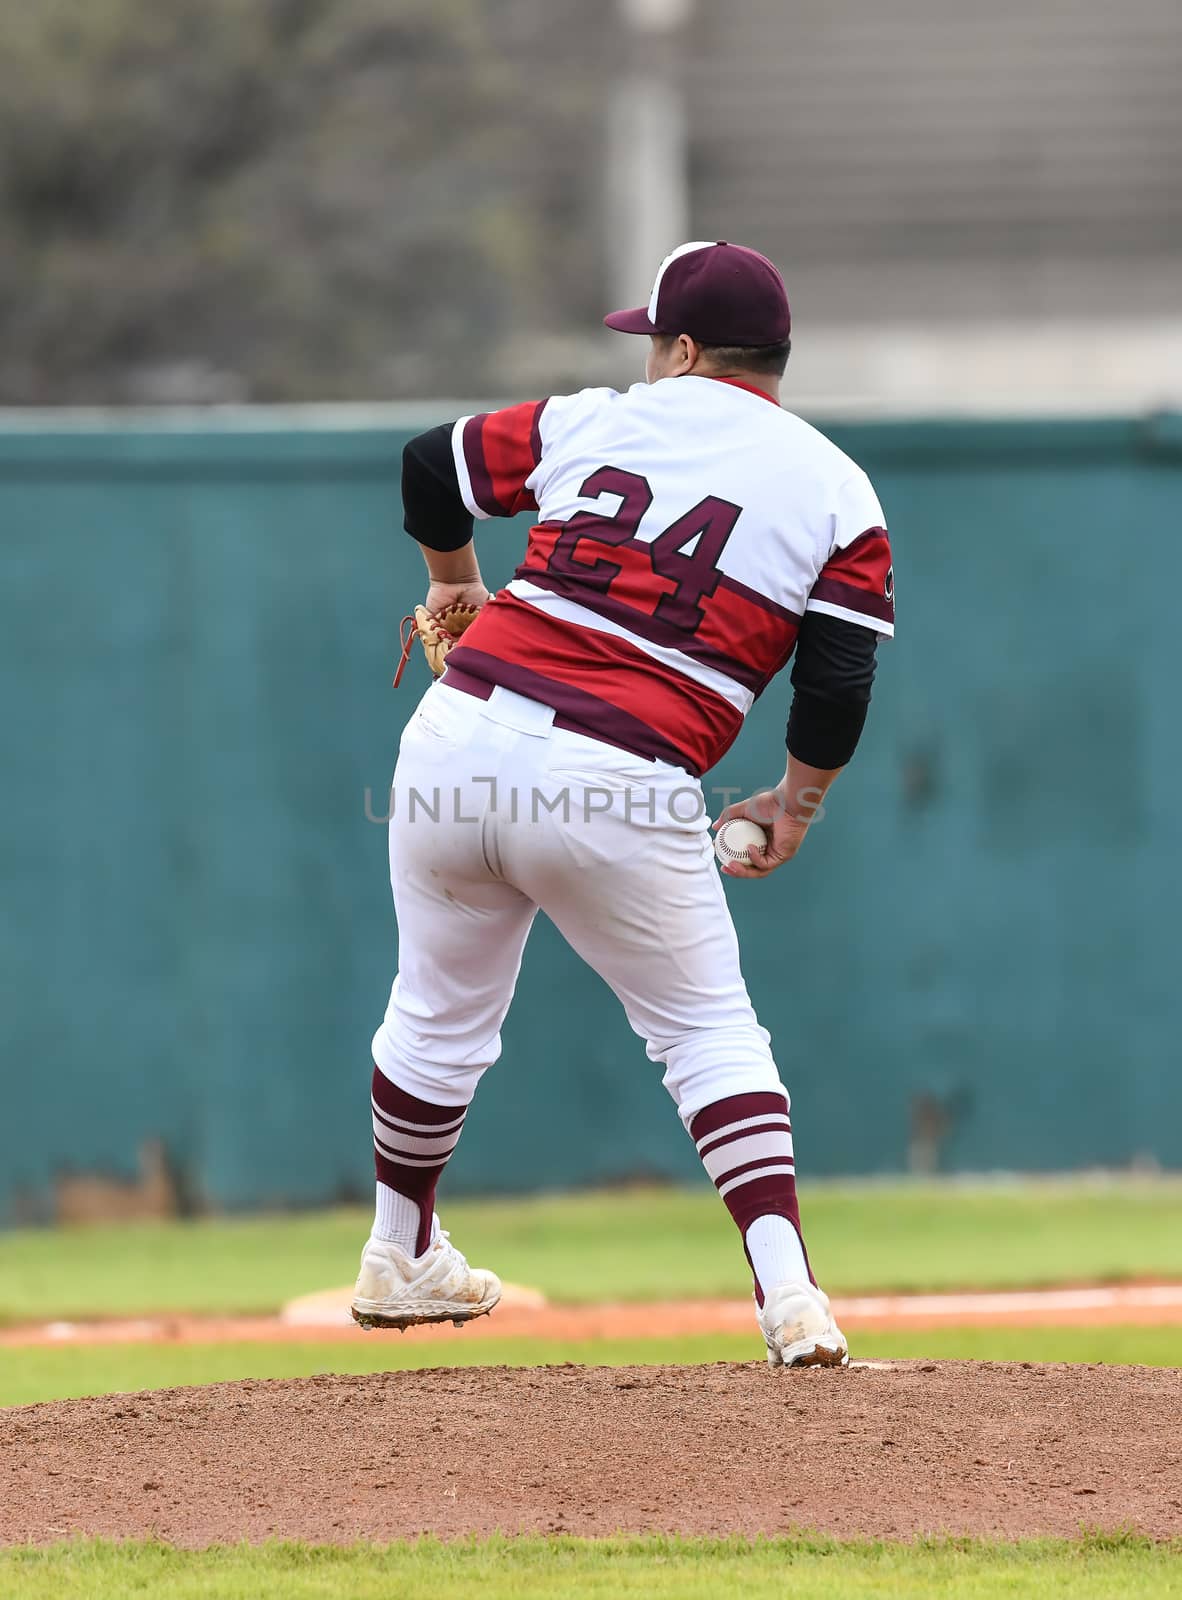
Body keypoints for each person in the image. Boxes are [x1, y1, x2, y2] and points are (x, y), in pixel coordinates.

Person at [352, 241, 894, 1367]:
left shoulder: (595, 420)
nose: (648, 359)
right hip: (620, 773)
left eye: (655, 339)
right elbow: (838, 682)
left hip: (457, 737)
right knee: (705, 1033)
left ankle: (398, 1250)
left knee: (436, 1011)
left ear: (685, 349)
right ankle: (790, 1298)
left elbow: (427, 465)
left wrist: (455, 582)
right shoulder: (838, 489)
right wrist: (794, 806)